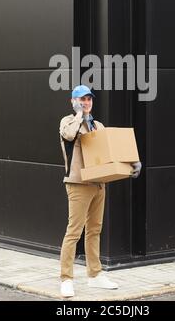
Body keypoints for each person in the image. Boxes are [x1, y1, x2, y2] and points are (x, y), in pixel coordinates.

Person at [59, 85, 142, 298]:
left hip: (98, 183)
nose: (86, 102)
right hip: (78, 184)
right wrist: (78, 115)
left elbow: (111, 148)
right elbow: (69, 136)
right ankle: (66, 279)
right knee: (74, 232)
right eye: (81, 99)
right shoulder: (68, 121)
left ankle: (94, 275)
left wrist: (132, 161)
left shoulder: (98, 125)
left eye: (88, 99)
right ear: (73, 101)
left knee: (95, 230)